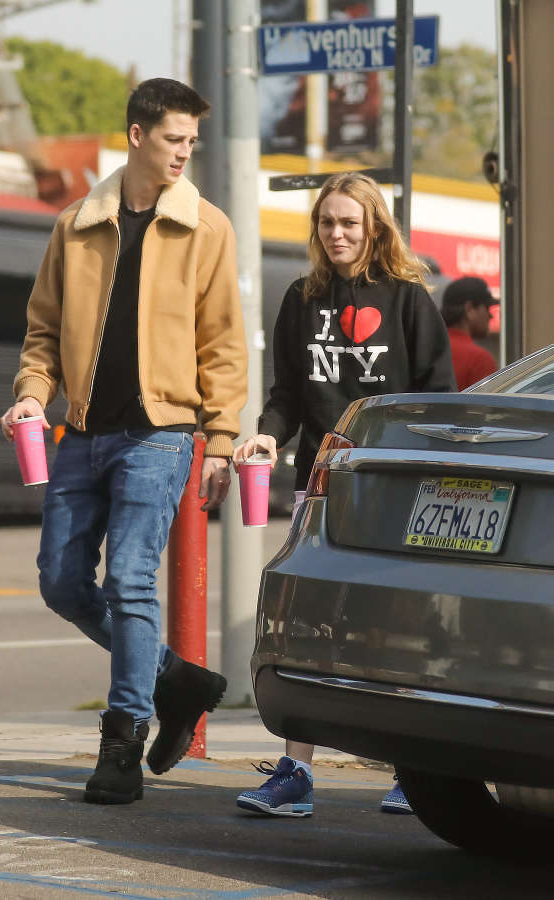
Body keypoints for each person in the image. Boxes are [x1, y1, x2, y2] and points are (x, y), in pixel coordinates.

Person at [0, 78, 248, 806]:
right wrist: (29, 395)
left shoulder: (207, 228)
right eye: (175, 139)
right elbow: (42, 333)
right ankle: (176, 678)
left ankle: (122, 741)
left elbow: (224, 346)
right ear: (138, 135)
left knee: (131, 579)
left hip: (162, 434)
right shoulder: (76, 224)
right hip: (79, 432)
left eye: (193, 143)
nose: (185, 154)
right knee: (60, 582)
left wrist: (223, 439)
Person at [232, 171, 456, 818]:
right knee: (306, 621)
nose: (336, 233)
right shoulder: (300, 299)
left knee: (396, 624)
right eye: (327, 222)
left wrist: (419, 467)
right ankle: (296, 773)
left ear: (374, 227)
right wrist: (267, 438)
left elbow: (437, 394)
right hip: (322, 484)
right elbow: (286, 397)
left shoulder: (408, 298)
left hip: (394, 484)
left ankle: (414, 771)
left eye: (349, 222)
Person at [441, 276, 498, 390]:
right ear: (469, 309)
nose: (490, 315)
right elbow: (489, 407)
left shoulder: (425, 350)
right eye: (487, 307)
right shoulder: (479, 359)